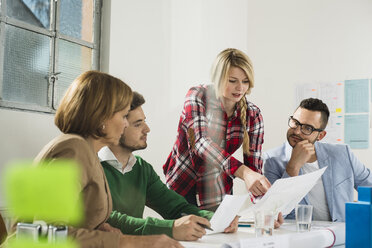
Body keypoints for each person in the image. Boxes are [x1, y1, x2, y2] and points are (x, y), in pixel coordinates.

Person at [32, 71, 182, 248]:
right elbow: (43, 233)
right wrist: (129, 242)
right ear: (102, 117)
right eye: (123, 116)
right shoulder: (73, 149)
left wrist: (100, 230)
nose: (126, 124)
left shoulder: (88, 152)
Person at [99, 91, 240, 241]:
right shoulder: (93, 166)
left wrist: (216, 219)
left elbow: (175, 207)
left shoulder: (141, 168)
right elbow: (105, 219)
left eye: (144, 121)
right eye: (138, 124)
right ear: (117, 126)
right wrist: (170, 228)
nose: (147, 129)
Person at [163, 48, 271, 211]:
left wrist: (267, 209)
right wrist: (244, 172)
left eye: (245, 81)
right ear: (218, 78)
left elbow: (254, 169)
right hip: (183, 184)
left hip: (217, 190)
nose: (240, 88)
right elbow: (200, 143)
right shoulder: (197, 96)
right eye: (232, 80)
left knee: (222, 235)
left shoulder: (252, 114)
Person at [264, 98, 372, 222]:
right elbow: (273, 214)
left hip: (341, 235)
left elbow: (369, 186)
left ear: (320, 135)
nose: (297, 131)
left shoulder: (342, 154)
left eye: (307, 128)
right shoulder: (272, 160)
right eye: (295, 122)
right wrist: (293, 167)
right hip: (300, 236)